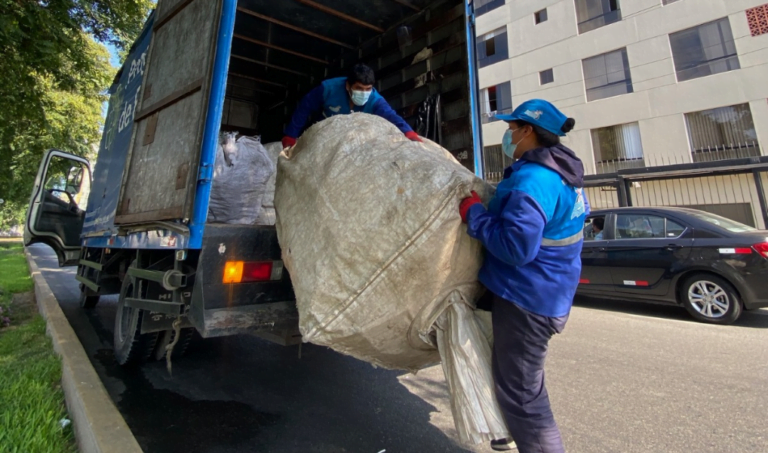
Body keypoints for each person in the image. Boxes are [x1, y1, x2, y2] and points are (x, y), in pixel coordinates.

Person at [458, 99, 587, 453]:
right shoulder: (564, 173)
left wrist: (473, 214)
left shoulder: (534, 181)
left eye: (511, 128)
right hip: (549, 291)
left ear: (528, 130)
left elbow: (516, 248)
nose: (508, 134)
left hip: (528, 299)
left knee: (525, 395)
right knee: (516, 379)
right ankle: (506, 428)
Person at [281, 63, 421, 148]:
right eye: (359, 88)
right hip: (323, 130)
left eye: (368, 89)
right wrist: (291, 135)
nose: (364, 93)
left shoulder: (375, 100)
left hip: (351, 138)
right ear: (348, 85)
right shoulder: (328, 89)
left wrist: (408, 132)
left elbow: (391, 116)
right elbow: (305, 106)